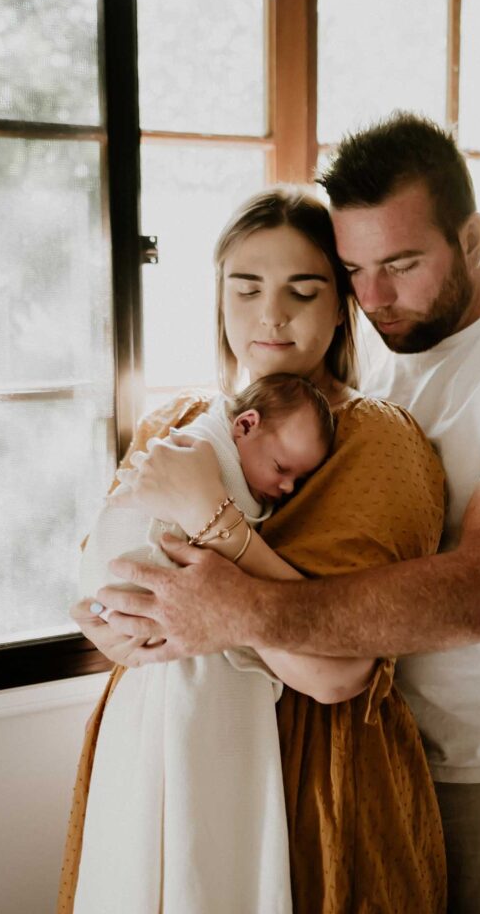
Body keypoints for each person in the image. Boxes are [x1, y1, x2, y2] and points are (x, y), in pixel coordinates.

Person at [75, 113, 480, 914]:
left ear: (470, 238)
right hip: (366, 749)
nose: (372, 297)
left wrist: (236, 606)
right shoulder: (366, 359)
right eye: (353, 270)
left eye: (401, 264)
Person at [60, 186, 447, 914]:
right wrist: (113, 622)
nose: (270, 314)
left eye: (302, 291)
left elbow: (334, 677)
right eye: (246, 289)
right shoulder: (176, 418)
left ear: (342, 305)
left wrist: (217, 528)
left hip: (313, 769)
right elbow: (108, 582)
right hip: (158, 749)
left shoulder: (377, 440)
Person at [72, 373, 333, 914]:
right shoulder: (201, 447)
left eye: (298, 482)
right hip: (149, 644)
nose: (284, 491)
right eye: (282, 470)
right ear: (243, 425)